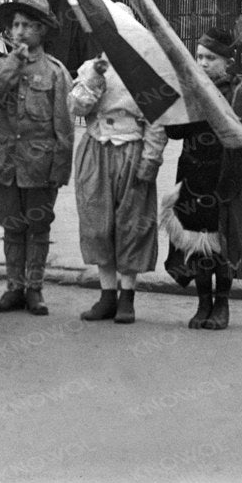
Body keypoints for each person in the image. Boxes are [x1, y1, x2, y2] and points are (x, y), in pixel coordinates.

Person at [163, 28, 242, 330]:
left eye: (210, 58)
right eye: (199, 57)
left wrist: (230, 187)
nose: (203, 63)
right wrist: (180, 97)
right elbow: (174, 132)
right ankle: (203, 302)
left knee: (221, 248)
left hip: (224, 183)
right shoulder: (192, 91)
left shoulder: (240, 99)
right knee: (196, 246)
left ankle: (221, 305)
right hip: (193, 181)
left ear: (227, 63)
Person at [0, 0, 73, 315]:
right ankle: (13, 287)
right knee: (12, 226)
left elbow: (64, 127)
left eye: (28, 26)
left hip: (39, 163)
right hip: (5, 161)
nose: (19, 31)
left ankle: (34, 288)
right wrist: (13, 64)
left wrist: (60, 170)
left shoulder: (56, 73)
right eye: (16, 25)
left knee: (38, 226)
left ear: (42, 30)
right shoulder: (5, 64)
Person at [70, 53, 168, 325]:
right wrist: (95, 77)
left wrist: (151, 158)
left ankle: (127, 297)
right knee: (97, 223)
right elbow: (77, 106)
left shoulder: (145, 71)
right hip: (96, 149)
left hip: (131, 150)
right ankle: (107, 295)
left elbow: (157, 120)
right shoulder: (90, 68)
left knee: (131, 222)